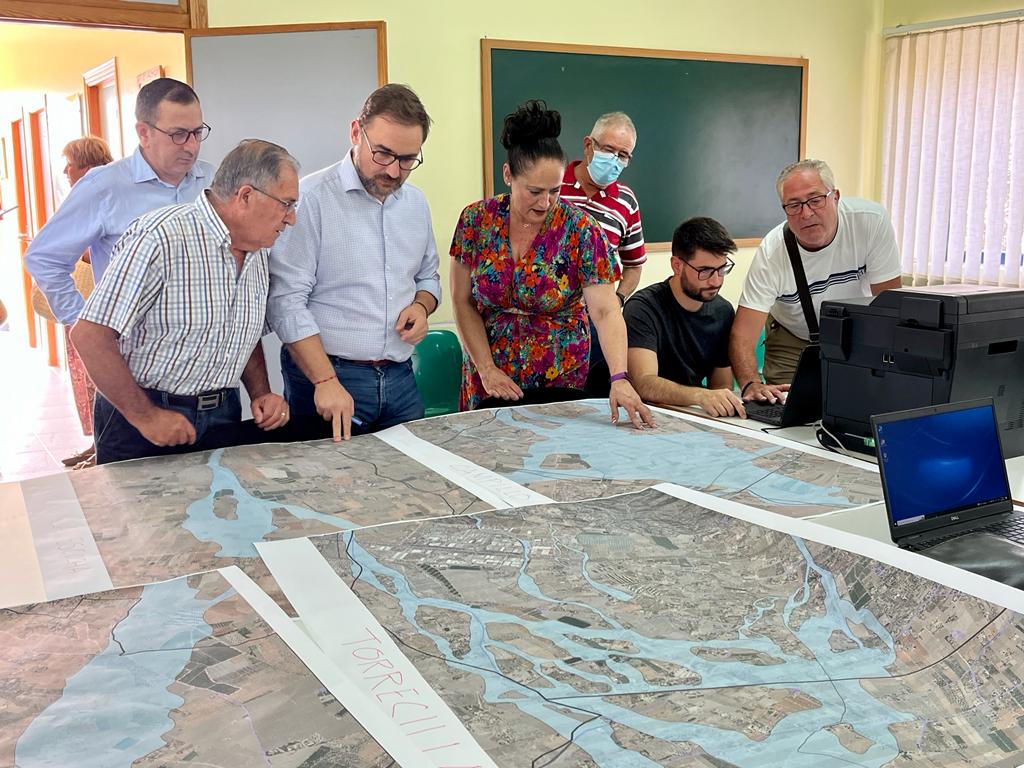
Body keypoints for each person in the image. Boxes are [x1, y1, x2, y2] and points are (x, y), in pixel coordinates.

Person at [70, 140, 299, 464]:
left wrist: (260, 392)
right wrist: (146, 416)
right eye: (286, 204)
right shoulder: (160, 237)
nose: (291, 219)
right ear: (246, 196)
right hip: (141, 422)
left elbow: (238, 331)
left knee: (216, 514)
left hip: (221, 416)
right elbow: (90, 336)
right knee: (139, 515)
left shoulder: (257, 248)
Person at [449, 100, 654, 429]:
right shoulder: (476, 221)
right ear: (508, 176)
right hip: (489, 375)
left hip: (560, 373)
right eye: (534, 191)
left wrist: (619, 376)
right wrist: (485, 368)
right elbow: (462, 300)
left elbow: (605, 311)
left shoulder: (581, 230)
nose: (545, 203)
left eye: (555, 191)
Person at [267, 84, 441, 442]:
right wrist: (325, 380)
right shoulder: (310, 200)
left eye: (408, 160)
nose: (394, 171)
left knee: (411, 484)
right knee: (327, 491)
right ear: (355, 133)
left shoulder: (415, 204)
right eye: (383, 154)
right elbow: (285, 302)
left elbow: (428, 276)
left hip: (401, 378)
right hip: (330, 378)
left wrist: (422, 307)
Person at [25, 78, 214, 326]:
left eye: (197, 133)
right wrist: (87, 328)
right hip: (134, 354)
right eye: (178, 134)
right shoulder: (104, 187)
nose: (192, 146)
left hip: (209, 351)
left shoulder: (213, 180)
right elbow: (44, 258)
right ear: (144, 133)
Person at [730, 159, 901, 402]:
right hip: (793, 335)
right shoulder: (772, 252)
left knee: (859, 403)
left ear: (836, 197)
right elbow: (743, 334)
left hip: (857, 333)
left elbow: (890, 306)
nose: (806, 213)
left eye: (815, 200)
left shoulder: (870, 222)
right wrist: (750, 384)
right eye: (794, 205)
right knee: (789, 410)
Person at [616, 217, 743, 418]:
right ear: (677, 265)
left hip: (689, 414)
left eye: (722, 269)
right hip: (641, 414)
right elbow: (643, 384)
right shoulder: (643, 308)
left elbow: (721, 385)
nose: (716, 280)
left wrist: (720, 402)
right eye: (705, 271)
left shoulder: (724, 311)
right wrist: (700, 396)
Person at [560, 112, 644, 371]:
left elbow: (634, 265)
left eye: (623, 155)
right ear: (588, 145)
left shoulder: (626, 201)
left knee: (595, 394)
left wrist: (617, 299)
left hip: (596, 323)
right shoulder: (551, 185)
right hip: (549, 322)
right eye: (609, 150)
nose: (615, 160)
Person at [58, 137, 115, 466]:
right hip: (87, 303)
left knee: (104, 377)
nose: (66, 170)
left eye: (70, 162)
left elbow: (82, 248)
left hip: (100, 306)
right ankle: (97, 443)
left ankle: (103, 447)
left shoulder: (105, 192)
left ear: (87, 163)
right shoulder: (84, 194)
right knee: (90, 380)